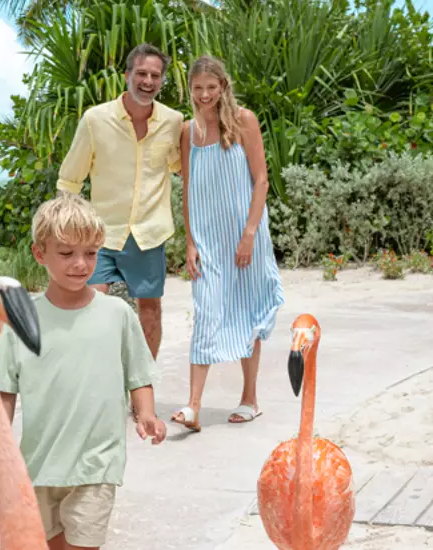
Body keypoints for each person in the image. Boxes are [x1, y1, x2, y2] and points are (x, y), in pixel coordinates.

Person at [0, 194, 169, 550]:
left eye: (91, 253)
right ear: (39, 253)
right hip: (38, 463)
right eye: (66, 253)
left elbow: (138, 373)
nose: (80, 264)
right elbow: (4, 390)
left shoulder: (117, 314)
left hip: (96, 463)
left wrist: (146, 413)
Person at [169, 55, 284, 431]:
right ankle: (193, 406)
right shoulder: (189, 132)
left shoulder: (244, 121)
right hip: (208, 242)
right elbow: (187, 189)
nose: (204, 95)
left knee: (248, 312)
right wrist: (189, 242)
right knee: (206, 312)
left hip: (246, 236)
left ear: (223, 87)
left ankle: (250, 398)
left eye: (211, 88)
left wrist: (249, 234)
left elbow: (262, 180)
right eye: (198, 88)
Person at [55, 42, 185, 361]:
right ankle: (102, 388)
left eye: (155, 75)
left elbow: (182, 167)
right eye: (141, 73)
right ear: (127, 75)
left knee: (150, 312)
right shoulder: (95, 120)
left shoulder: (173, 121)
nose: (148, 81)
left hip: (149, 234)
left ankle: (144, 390)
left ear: (162, 81)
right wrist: (68, 233)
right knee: (95, 312)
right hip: (101, 234)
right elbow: (70, 179)